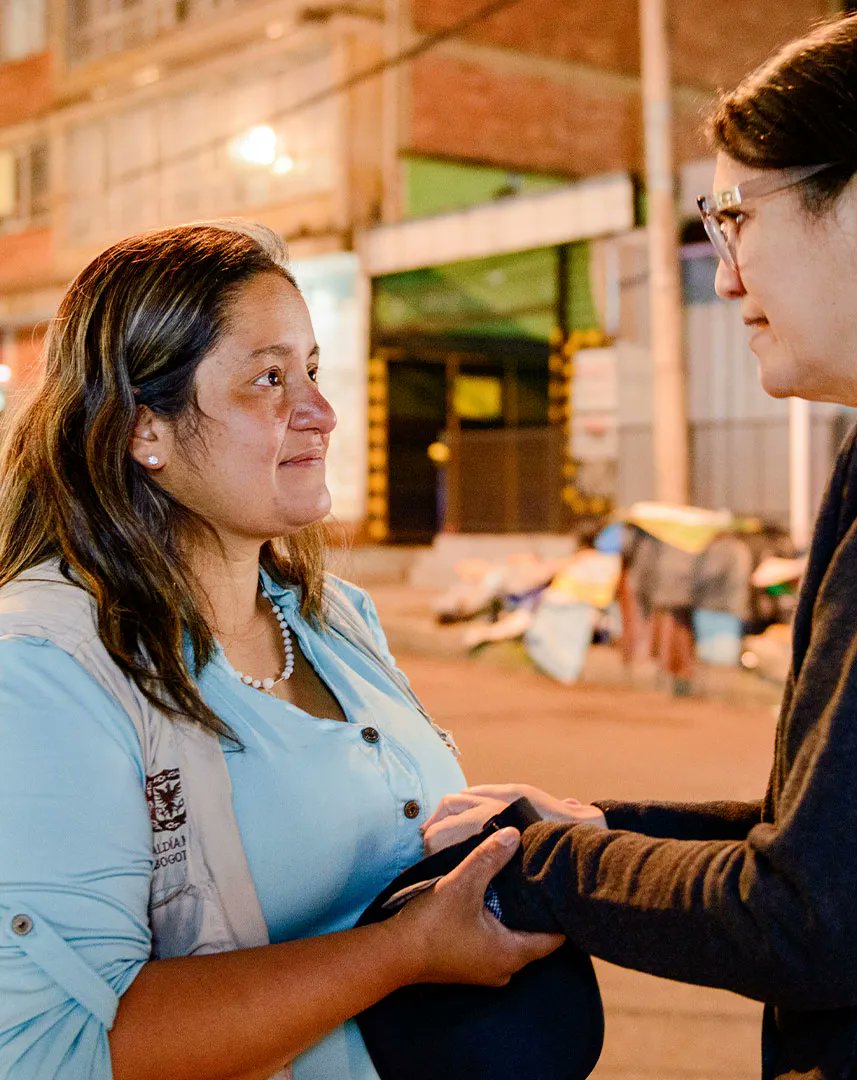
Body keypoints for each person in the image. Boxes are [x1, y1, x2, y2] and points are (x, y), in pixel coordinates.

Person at [422, 7, 857, 1078]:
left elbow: (817, 916)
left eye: (736, 217)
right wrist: (590, 824)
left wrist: (543, 868)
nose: (725, 275)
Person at [0, 222, 561, 1080]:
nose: (321, 414)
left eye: (312, 371)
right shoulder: (47, 671)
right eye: (269, 378)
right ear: (145, 429)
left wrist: (516, 842)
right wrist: (402, 953)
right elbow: (53, 1052)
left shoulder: (335, 620)